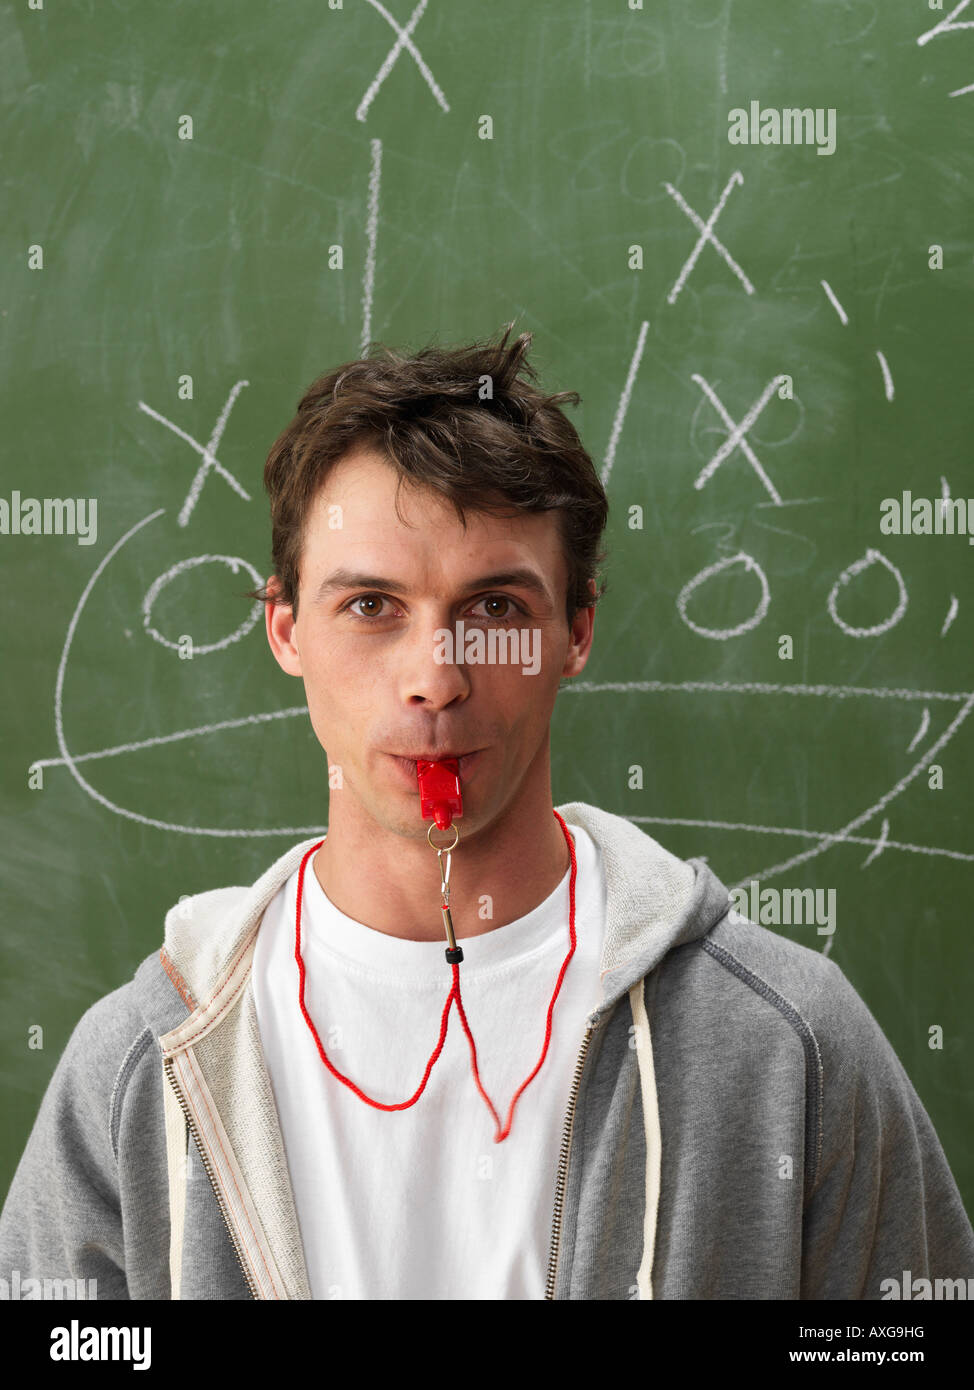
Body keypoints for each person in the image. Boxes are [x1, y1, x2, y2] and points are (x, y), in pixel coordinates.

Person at [1, 324, 972, 1301]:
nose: (436, 677)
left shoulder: (785, 1044)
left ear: (575, 631)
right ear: (285, 628)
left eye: (496, 608)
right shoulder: (136, 1071)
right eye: (371, 606)